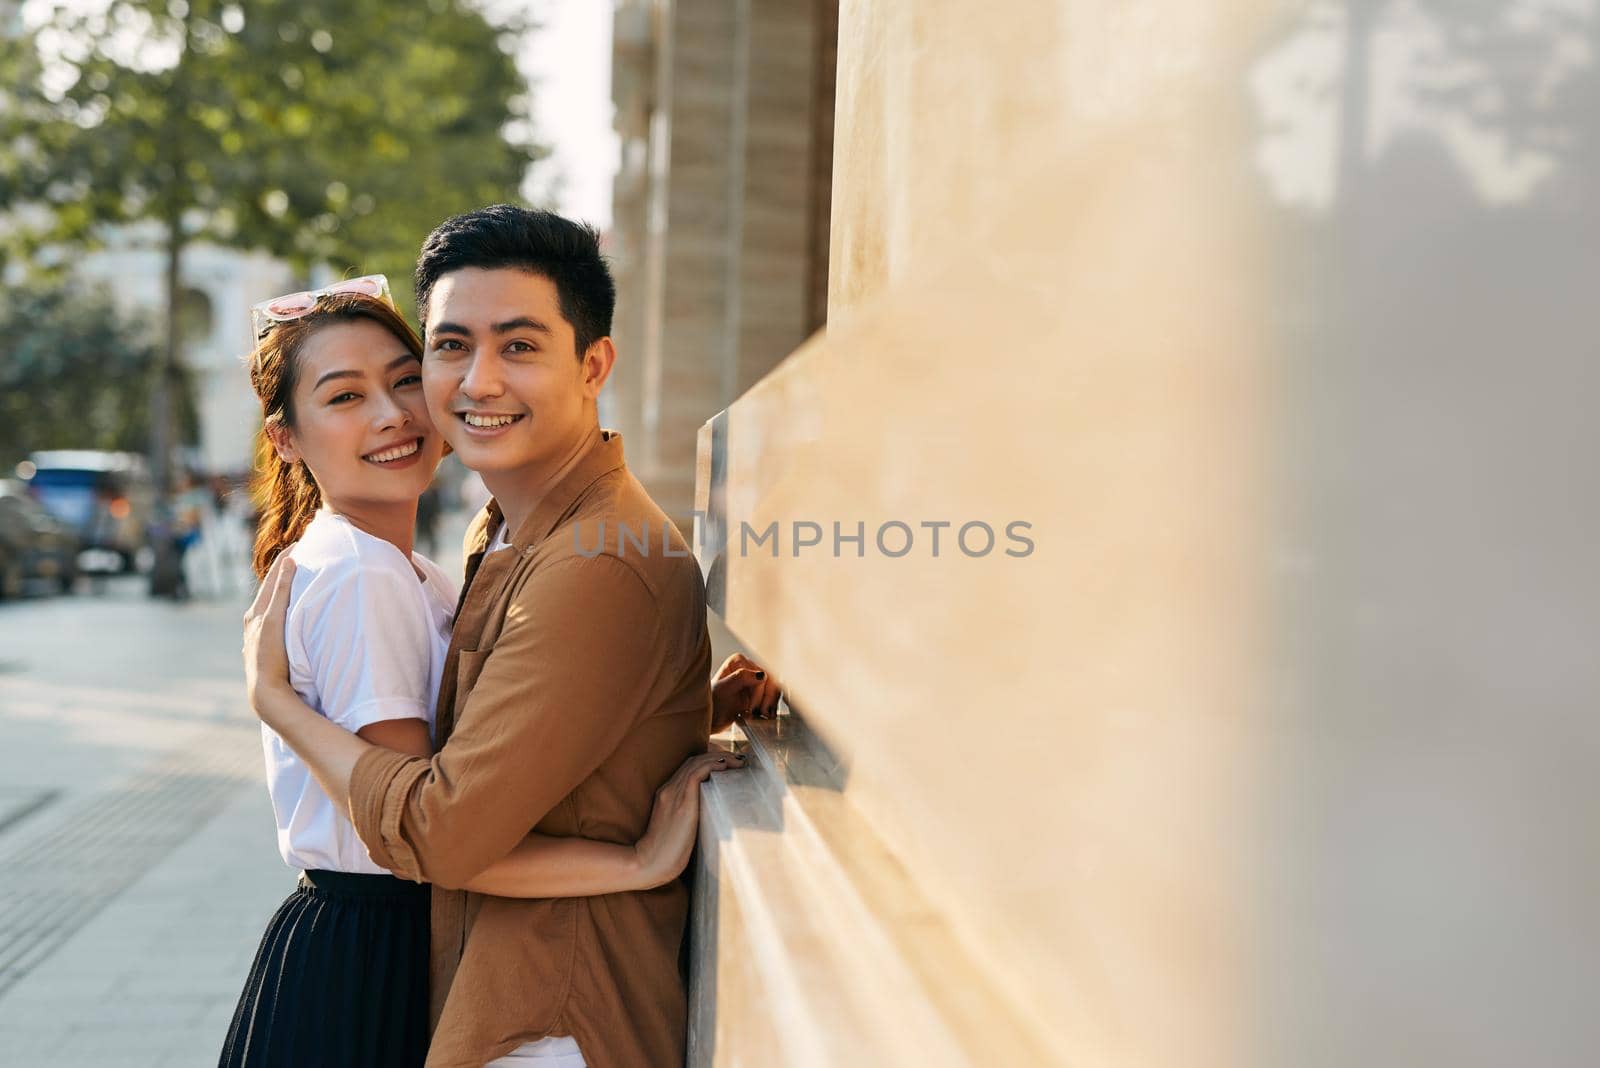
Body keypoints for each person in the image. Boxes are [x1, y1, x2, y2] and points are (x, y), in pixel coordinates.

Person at [222, 278, 758, 1068]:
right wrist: (636, 862)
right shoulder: (359, 575)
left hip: (383, 932)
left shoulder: (422, 571)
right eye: (344, 397)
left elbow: (492, 749)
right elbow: (425, 825)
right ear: (287, 438)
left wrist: (686, 709)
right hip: (372, 942)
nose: (392, 414)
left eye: (405, 380)